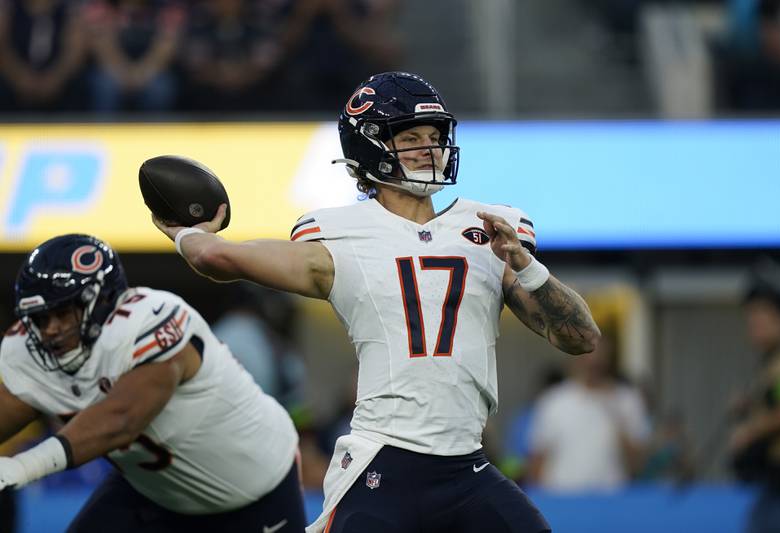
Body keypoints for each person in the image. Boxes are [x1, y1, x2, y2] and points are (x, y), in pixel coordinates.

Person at [152, 71, 601, 533]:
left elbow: (581, 338)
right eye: (411, 137)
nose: (430, 149)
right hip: (383, 462)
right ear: (369, 146)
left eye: (435, 136)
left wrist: (526, 266)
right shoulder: (340, 237)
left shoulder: (488, 230)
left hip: (467, 466)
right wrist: (189, 234)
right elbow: (219, 259)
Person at [0, 234, 306, 533]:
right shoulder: (31, 351)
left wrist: (24, 467)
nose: (50, 330)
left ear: (102, 299)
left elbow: (121, 419)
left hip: (255, 492)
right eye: (40, 318)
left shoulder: (152, 320)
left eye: (62, 313)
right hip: (154, 492)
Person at [525, 335, 650, 492]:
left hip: (611, 500)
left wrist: (616, 417)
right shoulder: (553, 401)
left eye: (599, 359)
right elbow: (537, 460)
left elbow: (638, 464)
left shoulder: (627, 400)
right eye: (587, 357)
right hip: (561, 498)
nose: (593, 363)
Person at [729, 261, 780, 533]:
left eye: (763, 315)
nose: (754, 322)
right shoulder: (773, 364)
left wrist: (752, 431)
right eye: (751, 315)